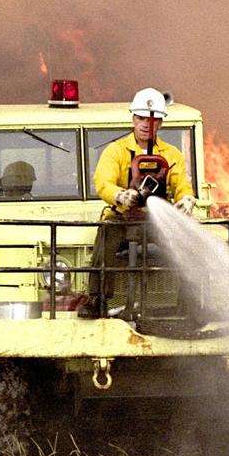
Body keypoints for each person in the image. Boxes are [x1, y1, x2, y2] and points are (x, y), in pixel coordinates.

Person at [80, 87, 196, 317]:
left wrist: (185, 198)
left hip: (158, 221)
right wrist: (120, 195)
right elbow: (102, 181)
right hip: (122, 218)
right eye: (141, 118)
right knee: (106, 237)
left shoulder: (172, 155)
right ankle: (97, 299)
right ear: (133, 118)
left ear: (161, 124)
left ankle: (191, 300)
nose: (146, 124)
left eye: (152, 120)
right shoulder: (116, 151)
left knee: (187, 242)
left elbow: (180, 182)